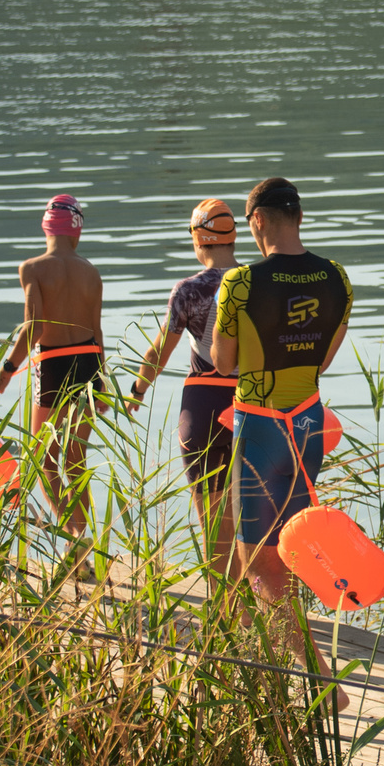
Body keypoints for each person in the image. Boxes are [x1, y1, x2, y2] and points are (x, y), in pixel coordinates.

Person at [210, 177, 353, 605]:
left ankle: (312, 667)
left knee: (256, 560)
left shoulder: (240, 282)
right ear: (300, 217)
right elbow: (324, 360)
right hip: (309, 424)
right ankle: (300, 654)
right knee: (293, 547)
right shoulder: (336, 276)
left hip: (260, 426)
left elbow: (222, 363)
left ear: (256, 220)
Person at [0, 194, 107, 535]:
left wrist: (7, 369)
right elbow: (97, 333)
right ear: (77, 232)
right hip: (88, 366)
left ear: (46, 228)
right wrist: (102, 387)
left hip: (53, 365)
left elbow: (34, 327)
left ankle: (72, 534)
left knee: (46, 463)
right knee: (75, 460)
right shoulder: (92, 273)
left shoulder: (32, 269)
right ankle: (82, 541)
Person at [128, 197, 240, 564]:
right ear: (233, 237)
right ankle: (252, 610)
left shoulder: (188, 290)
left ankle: (221, 613)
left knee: (211, 517)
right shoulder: (255, 282)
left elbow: (158, 353)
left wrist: (137, 391)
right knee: (249, 519)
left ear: (198, 238)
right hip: (250, 405)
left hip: (203, 407)